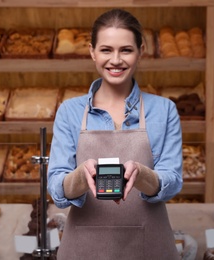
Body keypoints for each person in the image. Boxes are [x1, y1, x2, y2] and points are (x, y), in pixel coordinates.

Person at [47, 8, 183, 260]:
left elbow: (173, 181)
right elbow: (56, 187)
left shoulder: (164, 110)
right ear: (92, 52)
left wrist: (143, 175)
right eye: (106, 50)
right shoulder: (70, 111)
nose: (116, 60)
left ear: (140, 51)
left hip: (149, 245)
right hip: (83, 247)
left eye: (126, 50)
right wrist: (79, 176)